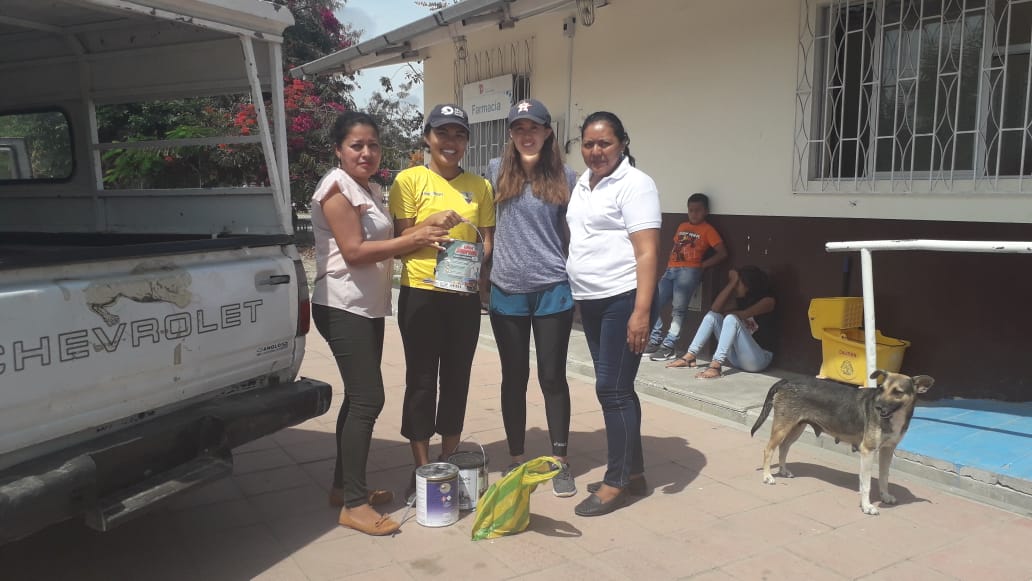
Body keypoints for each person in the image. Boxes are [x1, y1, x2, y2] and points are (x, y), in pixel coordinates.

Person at [311, 112, 450, 536]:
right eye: (356, 145)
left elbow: (388, 244)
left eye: (373, 144)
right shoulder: (336, 188)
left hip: (366, 306)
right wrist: (415, 238)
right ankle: (354, 505)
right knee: (369, 399)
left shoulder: (368, 189)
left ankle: (344, 487)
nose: (366, 153)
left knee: (358, 398)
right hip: (341, 304)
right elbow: (354, 251)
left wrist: (425, 227)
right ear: (338, 150)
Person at [388, 104, 496, 500]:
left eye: (459, 135)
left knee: (456, 378)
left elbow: (487, 240)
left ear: (466, 141)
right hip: (420, 292)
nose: (451, 142)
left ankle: (448, 461)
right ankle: (422, 469)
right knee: (420, 380)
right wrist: (431, 225)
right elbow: (400, 240)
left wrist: (471, 261)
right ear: (427, 137)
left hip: (462, 297)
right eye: (443, 133)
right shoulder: (408, 180)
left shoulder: (480, 186)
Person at [566, 111, 660, 517]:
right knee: (619, 387)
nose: (595, 151)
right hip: (592, 299)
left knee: (612, 390)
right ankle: (633, 473)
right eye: (588, 143)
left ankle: (616, 481)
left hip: (624, 298)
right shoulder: (583, 183)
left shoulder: (636, 184)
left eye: (604, 143)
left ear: (622, 143)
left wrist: (641, 312)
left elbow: (648, 252)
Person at [487, 98, 579, 497]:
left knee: (552, 377)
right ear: (511, 133)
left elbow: (576, 232)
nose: (527, 135)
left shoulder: (566, 176)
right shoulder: (494, 170)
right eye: (519, 128)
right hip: (507, 289)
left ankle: (560, 460)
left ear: (547, 132)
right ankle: (516, 458)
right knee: (514, 377)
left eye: (534, 128)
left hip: (553, 289)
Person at [645, 193, 727, 361]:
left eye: (698, 210)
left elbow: (722, 253)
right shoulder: (682, 226)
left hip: (689, 272)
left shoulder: (708, 230)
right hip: (671, 270)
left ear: (706, 211)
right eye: (691, 210)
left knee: (678, 309)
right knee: (653, 301)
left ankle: (669, 346)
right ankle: (655, 339)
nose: (694, 214)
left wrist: (701, 265)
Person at [666, 265, 776, 379]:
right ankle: (689, 357)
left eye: (738, 283)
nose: (735, 287)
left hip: (758, 360)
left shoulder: (768, 301)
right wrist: (731, 283)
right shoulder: (741, 300)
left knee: (731, 318)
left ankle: (716, 366)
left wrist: (731, 313)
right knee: (712, 316)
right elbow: (715, 309)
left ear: (748, 284)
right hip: (737, 359)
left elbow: (742, 314)